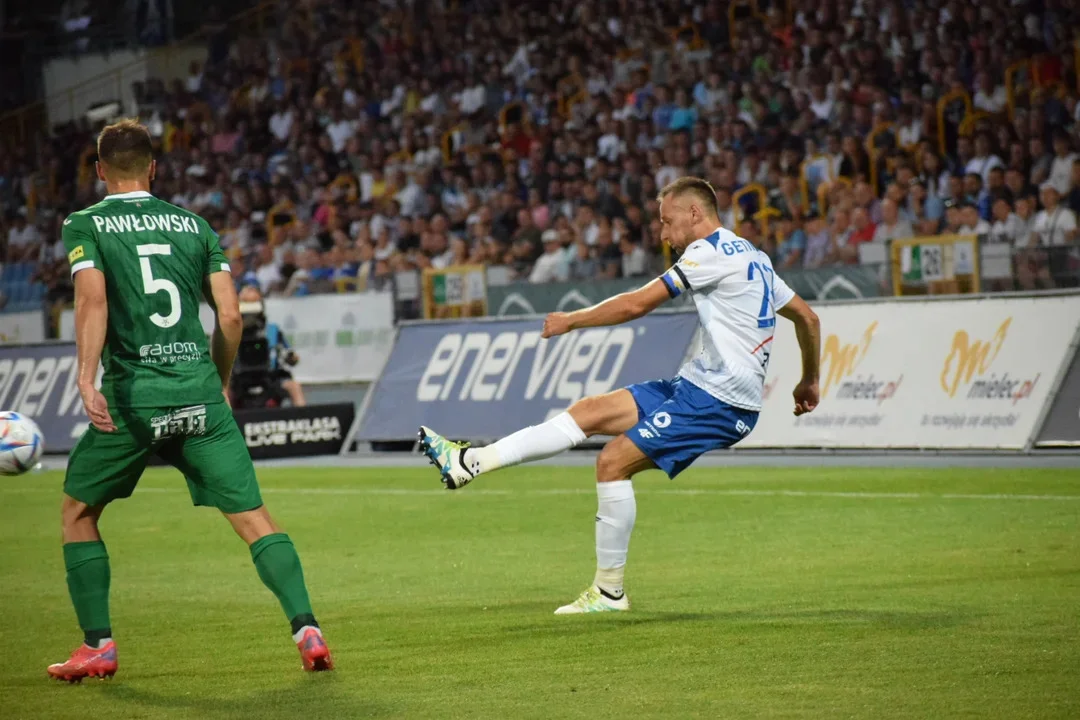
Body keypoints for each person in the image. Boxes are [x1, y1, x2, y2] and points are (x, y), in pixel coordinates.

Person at [419, 177, 821, 614]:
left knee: (612, 462)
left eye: (667, 223)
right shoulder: (753, 256)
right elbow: (808, 318)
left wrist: (573, 320)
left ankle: (610, 591)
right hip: (698, 386)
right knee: (589, 412)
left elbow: (635, 305)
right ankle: (470, 463)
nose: (664, 235)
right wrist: (809, 380)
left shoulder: (707, 253)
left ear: (694, 214)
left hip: (721, 402)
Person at [50, 120, 332, 682]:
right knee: (255, 520)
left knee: (78, 513)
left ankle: (98, 645)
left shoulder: (85, 224)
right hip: (201, 397)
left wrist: (85, 379)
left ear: (100, 170)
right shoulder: (194, 225)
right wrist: (219, 381)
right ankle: (307, 628)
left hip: (136, 399)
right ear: (154, 167)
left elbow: (91, 301)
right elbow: (230, 317)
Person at [238, 285, 306, 407]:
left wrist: (291, 357)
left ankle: (304, 421)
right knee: (223, 392)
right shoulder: (231, 332)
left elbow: (291, 356)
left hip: (270, 378)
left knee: (294, 387)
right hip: (240, 379)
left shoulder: (272, 330)